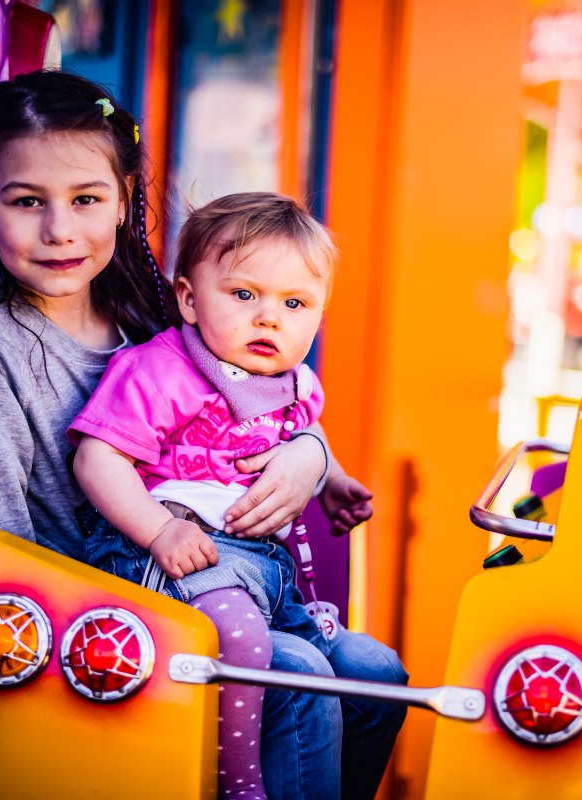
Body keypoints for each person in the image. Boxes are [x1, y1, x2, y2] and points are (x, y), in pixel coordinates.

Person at [0, 70, 406, 800]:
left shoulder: (145, 308)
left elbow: (260, 407)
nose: (60, 230)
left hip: (216, 577)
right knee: (295, 676)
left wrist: (312, 457)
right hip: (89, 613)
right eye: (27, 202)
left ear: (122, 201)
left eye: (86, 199)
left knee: (377, 678)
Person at [68, 193, 350, 797]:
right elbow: (97, 458)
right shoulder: (161, 370)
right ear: (191, 299)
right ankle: (236, 782)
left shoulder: (295, 383)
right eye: (244, 295)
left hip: (264, 570)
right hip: (171, 555)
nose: (269, 318)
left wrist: (333, 479)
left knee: (357, 677)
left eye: (294, 304)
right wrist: (158, 531)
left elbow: (305, 433)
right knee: (246, 644)